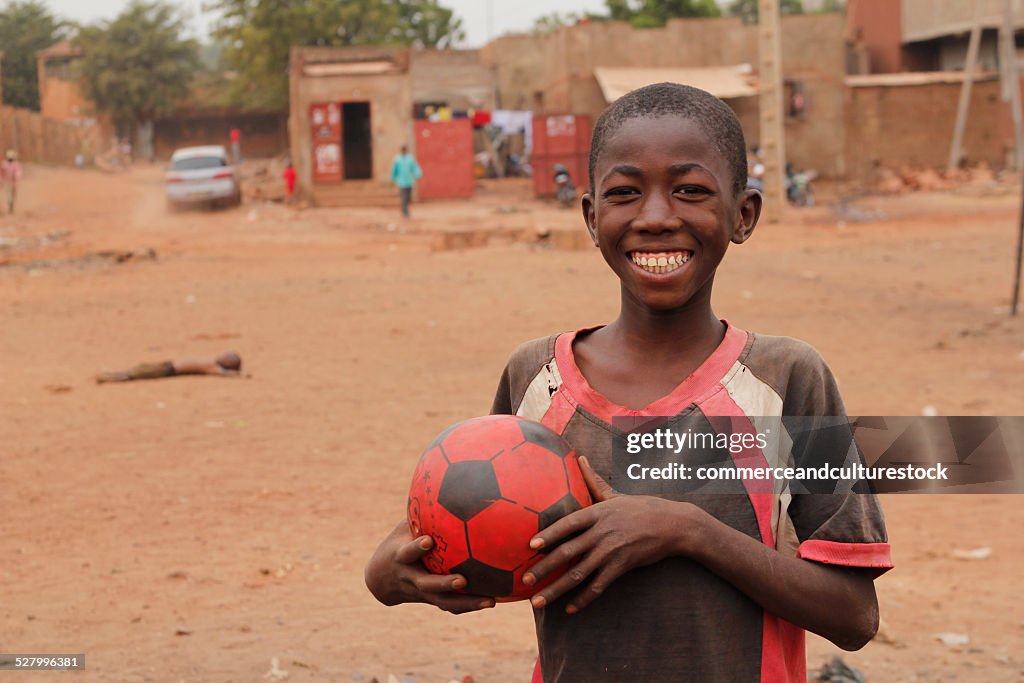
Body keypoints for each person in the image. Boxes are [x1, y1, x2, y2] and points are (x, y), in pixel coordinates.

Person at [365, 83, 891, 682]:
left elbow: (854, 615)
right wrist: (388, 576)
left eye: (690, 190)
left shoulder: (789, 379)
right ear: (592, 217)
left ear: (744, 214)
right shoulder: (534, 378)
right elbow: (425, 535)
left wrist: (686, 531)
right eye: (624, 193)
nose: (657, 216)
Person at [95, 351, 242, 383]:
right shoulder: (211, 362)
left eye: (226, 357)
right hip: (168, 365)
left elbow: (222, 373)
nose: (222, 355)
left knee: (135, 373)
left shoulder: (212, 366)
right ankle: (110, 375)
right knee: (139, 369)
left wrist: (236, 374)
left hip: (169, 370)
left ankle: (109, 377)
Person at [390, 145, 422, 218]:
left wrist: (418, 174)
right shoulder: (397, 159)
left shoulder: (410, 159)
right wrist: (393, 178)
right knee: (404, 196)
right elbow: (394, 170)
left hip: (409, 181)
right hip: (401, 181)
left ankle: (404, 208)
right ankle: (405, 210)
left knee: (408, 197)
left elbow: (414, 167)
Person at [1, 150, 23, 214]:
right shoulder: (4, 164)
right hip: (7, 182)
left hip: (14, 183)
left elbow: (19, 172)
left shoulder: (16, 164)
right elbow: (1, 173)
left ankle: (11, 205)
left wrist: (17, 176)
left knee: (13, 195)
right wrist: (1, 180)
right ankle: (10, 204)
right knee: (9, 195)